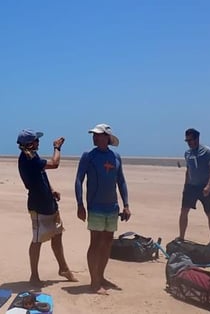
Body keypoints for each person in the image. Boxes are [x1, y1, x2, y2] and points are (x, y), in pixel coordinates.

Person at [74, 123, 130, 295]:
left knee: (107, 243)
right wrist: (80, 205)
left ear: (107, 137)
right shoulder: (88, 156)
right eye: (94, 134)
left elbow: (121, 181)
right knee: (95, 243)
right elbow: (78, 180)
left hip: (112, 207)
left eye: (98, 135)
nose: (94, 137)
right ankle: (94, 282)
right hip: (95, 207)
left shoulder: (116, 157)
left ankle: (101, 276)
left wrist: (126, 205)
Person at [16, 129, 77, 286]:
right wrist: (57, 148)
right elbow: (54, 164)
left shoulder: (33, 156)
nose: (38, 142)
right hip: (38, 205)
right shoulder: (28, 159)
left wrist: (51, 190)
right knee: (37, 240)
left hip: (49, 203)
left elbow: (42, 174)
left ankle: (63, 268)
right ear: (30, 143)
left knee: (57, 235)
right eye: (36, 140)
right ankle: (34, 275)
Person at [179, 128, 210, 245]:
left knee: (209, 212)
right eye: (187, 141)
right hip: (191, 186)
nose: (189, 143)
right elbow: (188, 169)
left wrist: (209, 185)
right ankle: (181, 237)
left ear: (197, 138)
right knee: (184, 211)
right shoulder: (187, 154)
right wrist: (185, 186)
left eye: (191, 140)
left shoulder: (207, 152)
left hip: (205, 186)